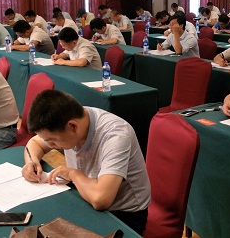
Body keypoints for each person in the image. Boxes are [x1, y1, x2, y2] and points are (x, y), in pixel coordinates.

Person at [22, 90, 150, 234]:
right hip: (84, 195)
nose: (50, 145)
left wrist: (73, 174)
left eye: (52, 140)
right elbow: (34, 143)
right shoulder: (69, 120)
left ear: (73, 126)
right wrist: (32, 163)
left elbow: (101, 200)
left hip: (123, 214)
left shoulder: (115, 135)